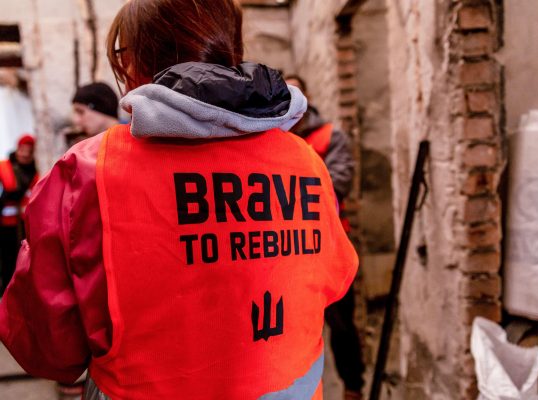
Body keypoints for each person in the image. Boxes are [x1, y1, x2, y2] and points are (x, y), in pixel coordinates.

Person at [0, 1, 358, 399]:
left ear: (133, 60)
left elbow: (50, 350)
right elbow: (335, 278)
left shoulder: (85, 172)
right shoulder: (303, 160)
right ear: (231, 48)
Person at [286, 75, 365, 400]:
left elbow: (339, 181)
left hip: (329, 245)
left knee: (341, 324)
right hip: (289, 252)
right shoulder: (276, 139)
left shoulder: (329, 136)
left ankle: (352, 387)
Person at [0, 134, 37, 294]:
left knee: (18, 258)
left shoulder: (34, 172)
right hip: (4, 223)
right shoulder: (4, 167)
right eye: (23, 151)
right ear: (18, 149)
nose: (25, 155)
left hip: (22, 224)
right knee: (5, 259)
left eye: (29, 152)